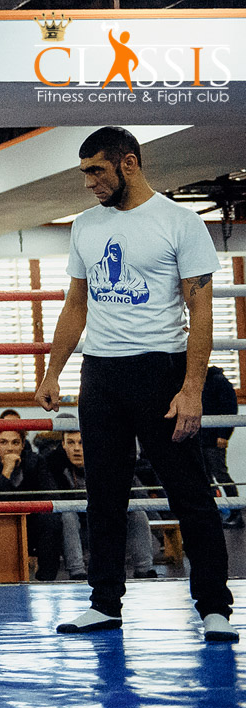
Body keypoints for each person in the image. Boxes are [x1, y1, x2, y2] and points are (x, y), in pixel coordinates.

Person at [35, 126, 235, 641]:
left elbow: (201, 310)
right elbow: (76, 303)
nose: (89, 182)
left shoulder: (180, 222)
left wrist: (192, 389)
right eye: (84, 173)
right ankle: (104, 604)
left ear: (128, 163)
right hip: (101, 374)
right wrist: (53, 370)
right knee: (104, 495)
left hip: (160, 370)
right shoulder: (85, 226)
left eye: (96, 171)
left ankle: (213, 607)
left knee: (188, 493)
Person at [49, 422, 157, 581]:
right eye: (71, 443)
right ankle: (77, 572)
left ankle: (145, 570)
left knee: (138, 513)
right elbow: (55, 499)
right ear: (63, 445)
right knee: (67, 514)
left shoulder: (108, 462)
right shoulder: (54, 466)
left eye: (81, 442)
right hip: (77, 528)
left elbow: (129, 496)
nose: (77, 448)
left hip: (106, 521)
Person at [0, 429, 63, 581]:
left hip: (31, 518)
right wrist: (6, 471)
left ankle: (47, 580)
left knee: (52, 520)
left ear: (23, 445)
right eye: (3, 442)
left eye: (15, 443)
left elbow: (51, 495)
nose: (10, 448)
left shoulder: (36, 461)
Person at [200, 366, 241, 528]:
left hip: (214, 438)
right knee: (205, 478)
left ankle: (236, 513)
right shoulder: (199, 382)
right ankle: (213, 514)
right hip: (200, 438)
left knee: (220, 475)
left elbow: (230, 408)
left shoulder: (219, 381)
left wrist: (224, 434)